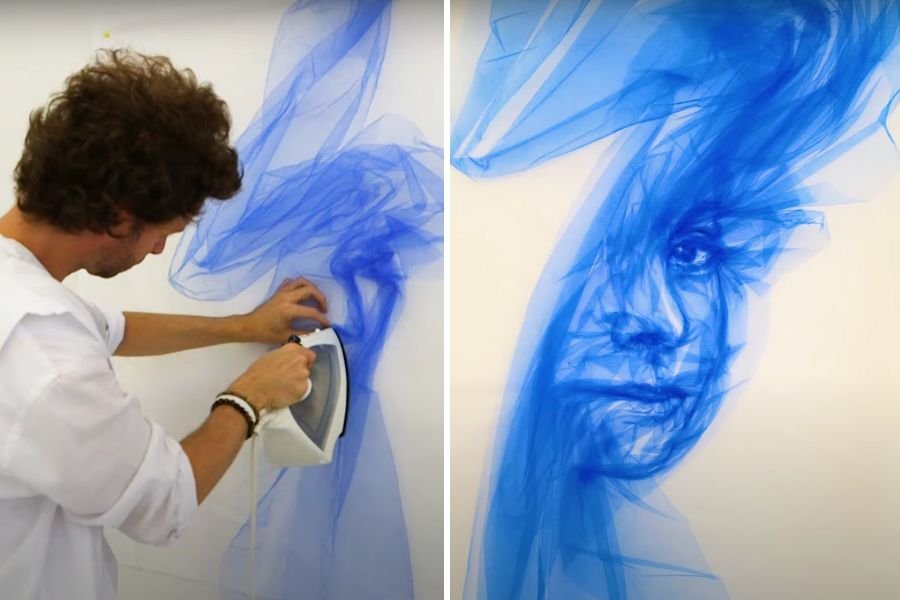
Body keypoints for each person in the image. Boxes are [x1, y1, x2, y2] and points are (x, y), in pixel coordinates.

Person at [0, 49, 330, 599]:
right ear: (118, 218)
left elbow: (116, 328)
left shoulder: (21, 286)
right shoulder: (42, 354)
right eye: (165, 234)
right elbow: (164, 503)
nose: (158, 252)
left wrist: (244, 327)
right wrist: (248, 397)